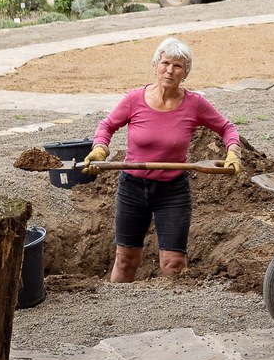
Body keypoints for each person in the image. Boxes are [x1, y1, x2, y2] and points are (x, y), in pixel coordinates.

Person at [81, 37, 242, 283]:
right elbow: (107, 126)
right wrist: (100, 149)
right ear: (155, 65)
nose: (170, 70)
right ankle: (115, 310)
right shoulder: (134, 99)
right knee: (126, 259)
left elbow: (227, 127)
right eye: (165, 63)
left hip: (173, 190)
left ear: (185, 72)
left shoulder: (195, 104)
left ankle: (174, 315)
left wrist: (233, 152)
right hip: (132, 188)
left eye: (177, 66)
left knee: (173, 264)